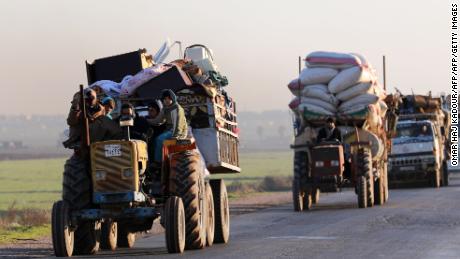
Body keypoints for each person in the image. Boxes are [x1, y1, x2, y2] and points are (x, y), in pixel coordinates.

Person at [64, 88, 122, 155]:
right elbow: (71, 121)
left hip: (97, 144)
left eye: (91, 98)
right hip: (81, 144)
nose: (89, 101)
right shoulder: (78, 110)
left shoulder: (100, 108)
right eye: (87, 99)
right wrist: (75, 107)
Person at [149, 89, 188, 163]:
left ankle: (158, 162)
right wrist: (146, 121)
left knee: (160, 139)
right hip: (169, 130)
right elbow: (158, 120)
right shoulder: (165, 109)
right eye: (165, 99)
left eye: (168, 98)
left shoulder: (176, 108)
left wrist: (175, 137)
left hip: (178, 132)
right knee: (153, 140)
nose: (166, 100)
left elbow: (178, 125)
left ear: (172, 98)